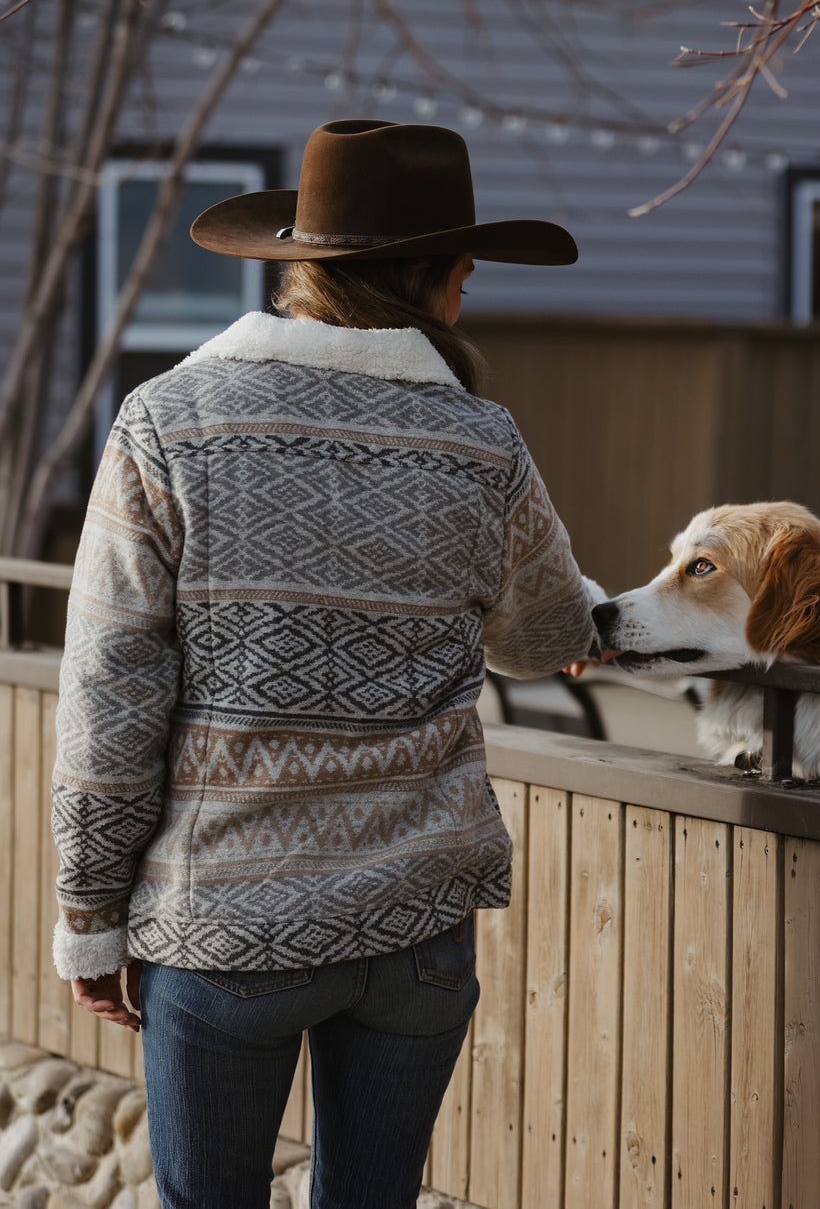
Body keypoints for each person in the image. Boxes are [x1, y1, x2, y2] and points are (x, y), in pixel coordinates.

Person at [52, 118, 598, 1209]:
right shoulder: (483, 441)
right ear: (449, 281)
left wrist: (89, 918)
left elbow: (110, 697)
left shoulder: (168, 424)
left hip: (221, 923)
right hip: (416, 926)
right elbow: (545, 640)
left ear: (299, 269)